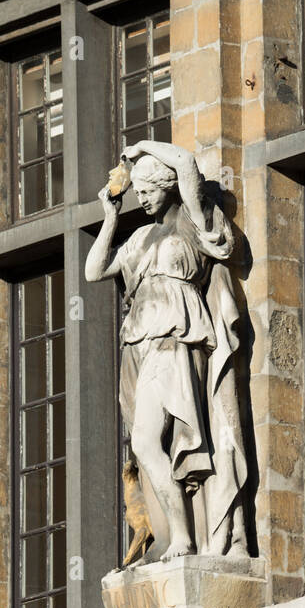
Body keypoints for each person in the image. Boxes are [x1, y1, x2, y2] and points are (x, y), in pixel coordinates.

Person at [86, 140, 249, 560]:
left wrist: (141, 147)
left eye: (147, 188)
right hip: (139, 344)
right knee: (145, 443)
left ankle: (183, 537)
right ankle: (180, 533)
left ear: (167, 185)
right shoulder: (139, 237)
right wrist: (110, 216)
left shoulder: (191, 223)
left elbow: (188, 164)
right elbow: (94, 270)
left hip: (177, 338)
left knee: (144, 441)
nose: (140, 197)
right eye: (136, 190)